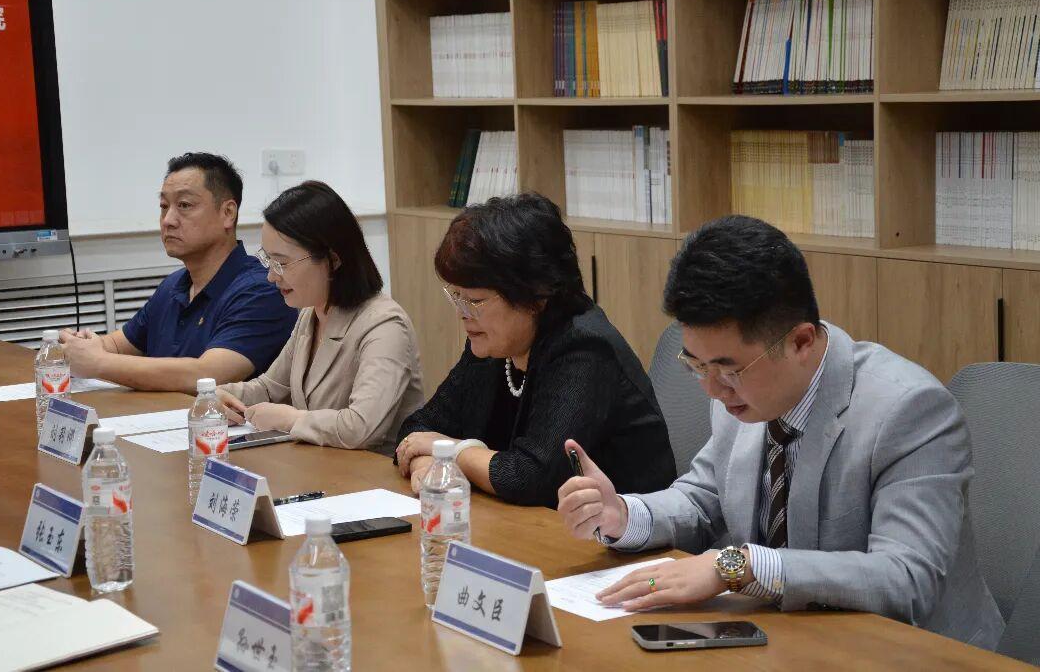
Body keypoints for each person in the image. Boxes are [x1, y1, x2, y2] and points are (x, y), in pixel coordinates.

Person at [557, 215, 1004, 648]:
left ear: (801, 342)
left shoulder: (909, 410)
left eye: (728, 370)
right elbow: (702, 499)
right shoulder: (741, 396)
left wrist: (739, 567)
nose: (712, 389)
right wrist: (623, 515)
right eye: (697, 365)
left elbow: (906, 578)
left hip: (911, 651)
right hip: (789, 639)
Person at [394, 193, 676, 508]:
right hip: (522, 523)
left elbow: (530, 477)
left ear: (535, 296)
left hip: (614, 532)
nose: (462, 313)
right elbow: (418, 428)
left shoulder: (584, 349)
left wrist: (452, 452)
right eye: (456, 296)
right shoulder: (491, 346)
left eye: (475, 300)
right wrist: (427, 462)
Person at [60, 152, 297, 393]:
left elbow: (207, 376)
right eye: (164, 206)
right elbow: (117, 345)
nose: (168, 220)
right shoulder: (174, 285)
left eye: (184, 205)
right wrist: (79, 346)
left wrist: (98, 362)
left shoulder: (261, 289)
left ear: (228, 213)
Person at [217, 181, 424, 456]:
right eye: (269, 261)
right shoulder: (311, 313)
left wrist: (292, 419)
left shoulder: (384, 325)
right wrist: (217, 396)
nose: (271, 276)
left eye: (282, 263)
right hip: (321, 466)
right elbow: (269, 388)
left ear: (333, 260)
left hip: (372, 475)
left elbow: (362, 427)